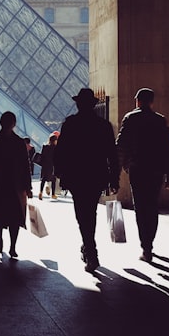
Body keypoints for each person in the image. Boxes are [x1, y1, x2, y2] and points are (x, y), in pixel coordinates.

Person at [54, 88, 120, 272]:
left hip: (76, 175)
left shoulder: (70, 124)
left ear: (78, 104)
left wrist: (60, 172)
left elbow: (61, 152)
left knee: (82, 214)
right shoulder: (103, 126)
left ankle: (90, 249)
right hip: (96, 175)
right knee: (90, 212)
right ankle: (89, 247)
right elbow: (112, 155)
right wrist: (114, 178)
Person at [116, 87, 169, 262]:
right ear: (152, 102)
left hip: (138, 168)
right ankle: (150, 243)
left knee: (141, 207)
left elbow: (121, 146)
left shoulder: (130, 118)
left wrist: (117, 170)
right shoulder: (160, 120)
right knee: (152, 206)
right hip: (156, 170)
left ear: (138, 101)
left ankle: (146, 247)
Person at [0, 111, 31, 259]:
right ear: (14, 124)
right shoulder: (19, 143)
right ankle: (12, 246)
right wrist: (27, 186)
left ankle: (0, 242)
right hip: (14, 184)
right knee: (15, 217)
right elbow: (25, 166)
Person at [37, 132, 59, 200]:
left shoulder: (45, 146)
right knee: (53, 180)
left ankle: (40, 193)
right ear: (55, 140)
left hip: (45, 165)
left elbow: (42, 156)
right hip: (52, 166)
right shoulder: (55, 148)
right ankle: (53, 194)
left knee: (43, 179)